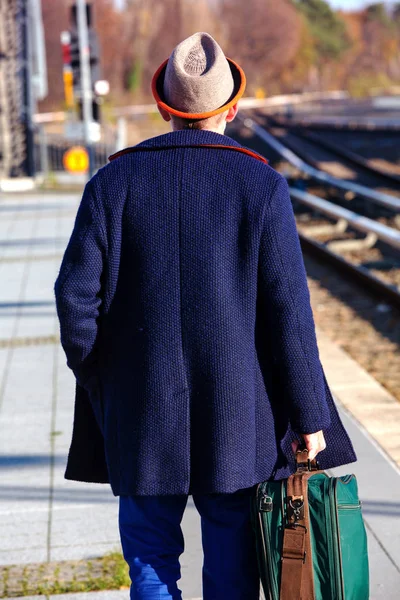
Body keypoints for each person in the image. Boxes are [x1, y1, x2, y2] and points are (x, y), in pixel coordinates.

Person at [54, 32, 357, 600]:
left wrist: (104, 381)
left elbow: (74, 300)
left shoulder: (112, 184)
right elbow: (289, 317)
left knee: (148, 559)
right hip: (237, 421)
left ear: (163, 107)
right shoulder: (260, 186)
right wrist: (310, 417)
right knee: (233, 565)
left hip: (141, 416)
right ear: (232, 108)